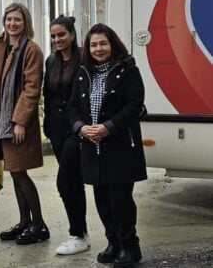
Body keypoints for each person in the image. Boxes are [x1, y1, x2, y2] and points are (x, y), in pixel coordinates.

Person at [67, 23, 147, 268]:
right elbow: (71, 107)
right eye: (93, 44)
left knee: (120, 199)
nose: (98, 48)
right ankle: (112, 242)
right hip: (92, 146)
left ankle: (129, 247)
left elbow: (135, 106)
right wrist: (80, 127)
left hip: (120, 146)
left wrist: (108, 127)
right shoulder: (83, 72)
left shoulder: (128, 69)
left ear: (112, 44)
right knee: (101, 198)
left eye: (103, 43)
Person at [0, 3, 47, 245]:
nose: (12, 24)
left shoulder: (31, 50)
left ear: (25, 22)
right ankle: (24, 222)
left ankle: (39, 224)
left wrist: (19, 121)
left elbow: (32, 89)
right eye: (9, 19)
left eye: (17, 20)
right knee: (14, 172)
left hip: (18, 123)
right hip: (0, 119)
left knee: (20, 172)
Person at [43, 15, 91, 255]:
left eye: (61, 34)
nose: (57, 39)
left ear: (72, 35)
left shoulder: (84, 59)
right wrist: (47, 125)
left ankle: (77, 233)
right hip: (57, 129)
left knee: (65, 181)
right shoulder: (51, 61)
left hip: (77, 128)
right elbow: (48, 95)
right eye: (53, 36)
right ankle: (81, 234)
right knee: (73, 182)